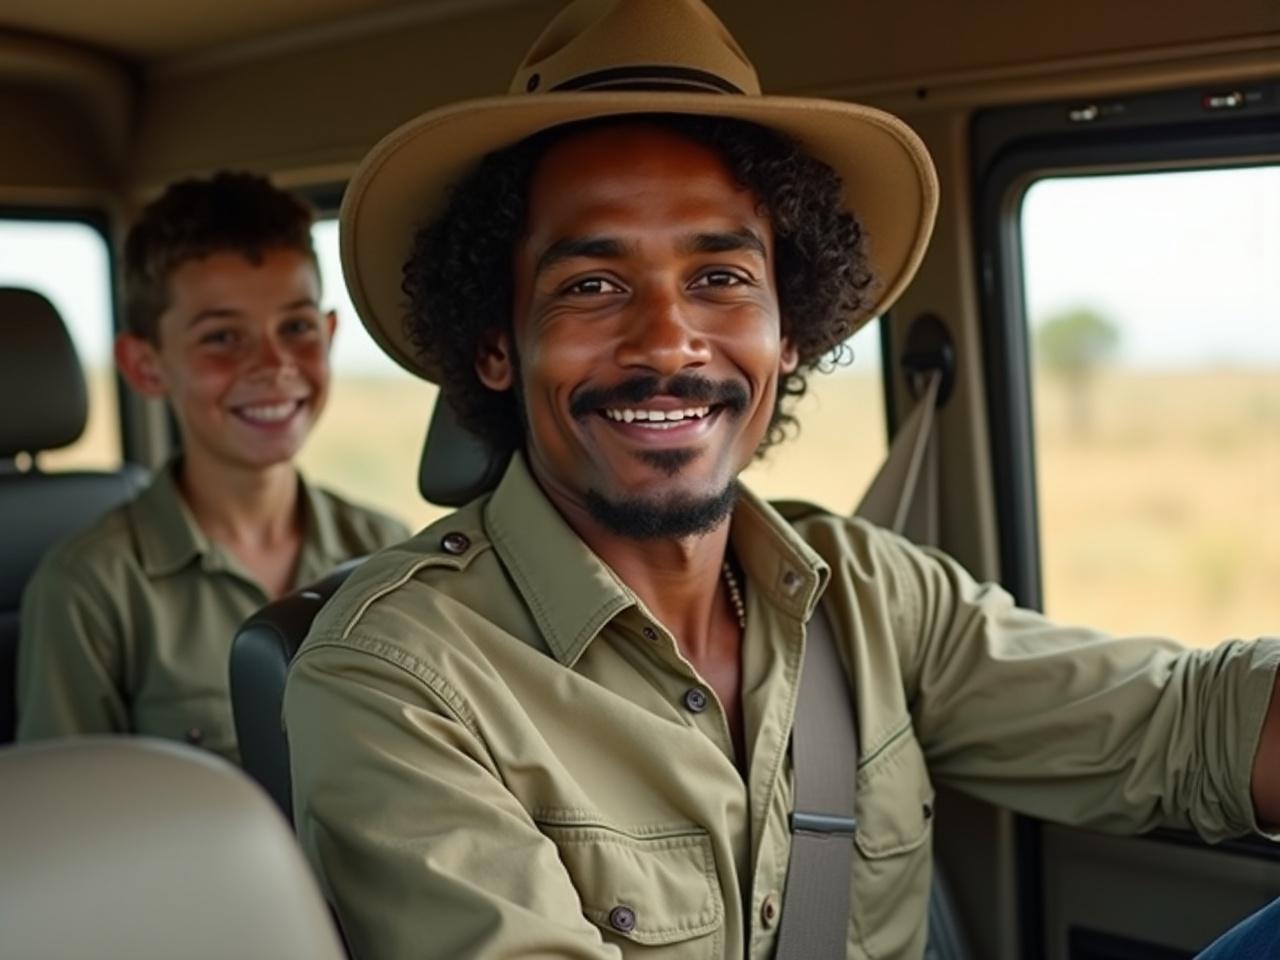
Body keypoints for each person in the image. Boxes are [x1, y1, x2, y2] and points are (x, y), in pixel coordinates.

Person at [283, 2, 1280, 958]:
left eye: (720, 279)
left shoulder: (871, 595)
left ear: (789, 330)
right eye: (591, 285)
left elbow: (1178, 725)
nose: (668, 341)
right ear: (497, 344)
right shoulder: (396, 674)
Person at [17, 172, 409, 764]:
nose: (274, 364)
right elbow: (72, 821)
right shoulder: (91, 586)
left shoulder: (384, 551)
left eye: (297, 327)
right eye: (223, 337)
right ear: (146, 366)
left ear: (329, 335)